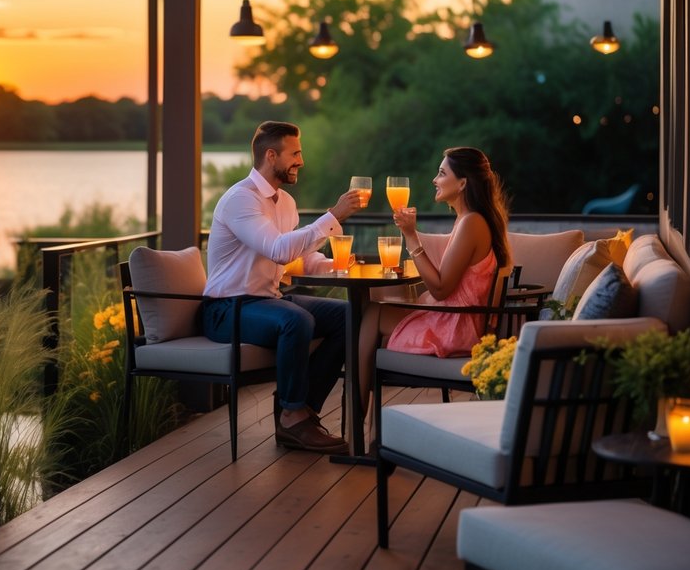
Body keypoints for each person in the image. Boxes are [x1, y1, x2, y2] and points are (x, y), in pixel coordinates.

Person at [201, 121, 364, 453]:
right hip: (227, 308)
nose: (301, 161)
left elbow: (294, 258)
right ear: (271, 155)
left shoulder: (285, 203)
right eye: (295, 153)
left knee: (349, 315)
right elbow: (278, 249)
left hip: (266, 300)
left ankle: (301, 410)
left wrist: (338, 265)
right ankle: (292, 415)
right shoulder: (240, 200)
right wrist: (333, 215)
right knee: (295, 320)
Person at [385, 147, 511, 357]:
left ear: (463, 183)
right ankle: (361, 389)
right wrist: (410, 232)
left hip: (456, 327)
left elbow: (441, 289)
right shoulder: (468, 220)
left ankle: (358, 390)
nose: (435, 180)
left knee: (371, 314)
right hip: (455, 320)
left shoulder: (471, 222)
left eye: (442, 173)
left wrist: (410, 237)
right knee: (373, 311)